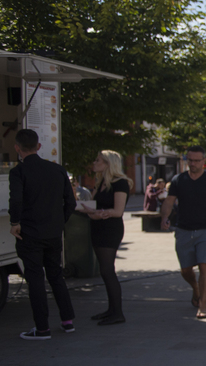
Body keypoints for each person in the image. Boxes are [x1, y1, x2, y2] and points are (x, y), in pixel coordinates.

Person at [8, 129, 77, 340]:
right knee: (56, 275)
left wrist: (15, 222)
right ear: (39, 146)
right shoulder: (57, 170)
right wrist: (59, 221)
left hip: (30, 233)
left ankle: (42, 328)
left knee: (35, 278)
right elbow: (71, 202)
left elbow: (16, 200)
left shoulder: (18, 172)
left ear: (17, 148)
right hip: (53, 233)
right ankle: (67, 321)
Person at [160, 146, 206, 319]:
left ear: (204, 162)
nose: (193, 164)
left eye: (197, 161)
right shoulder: (178, 180)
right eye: (190, 160)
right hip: (183, 229)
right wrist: (165, 217)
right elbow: (169, 202)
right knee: (185, 270)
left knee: (204, 265)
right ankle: (196, 288)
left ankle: (203, 305)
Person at [81, 151, 132, 326]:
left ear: (109, 164)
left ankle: (117, 313)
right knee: (105, 270)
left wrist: (98, 213)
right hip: (97, 227)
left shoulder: (120, 183)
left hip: (110, 229)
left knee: (107, 270)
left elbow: (118, 211)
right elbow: (96, 206)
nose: (94, 163)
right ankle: (111, 309)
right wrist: (89, 211)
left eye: (98, 161)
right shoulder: (101, 182)